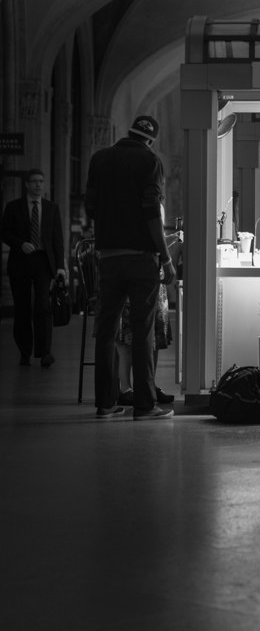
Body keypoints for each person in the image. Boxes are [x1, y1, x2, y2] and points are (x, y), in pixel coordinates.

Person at [85, 114, 176, 420]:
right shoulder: (149, 161)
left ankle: (106, 403)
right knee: (143, 330)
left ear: (129, 133)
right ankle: (145, 405)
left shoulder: (99, 159)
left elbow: (90, 207)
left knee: (107, 331)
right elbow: (151, 211)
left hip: (108, 257)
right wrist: (165, 257)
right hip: (140, 259)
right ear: (150, 140)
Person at [1, 168, 67, 367]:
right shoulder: (13, 207)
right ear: (26, 184)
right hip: (20, 261)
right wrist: (20, 243)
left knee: (43, 306)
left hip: (43, 262)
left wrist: (60, 267)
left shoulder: (52, 208)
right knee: (22, 308)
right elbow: (4, 232)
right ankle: (25, 352)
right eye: (35, 181)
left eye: (41, 181)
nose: (39, 185)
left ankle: (45, 352)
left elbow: (57, 240)